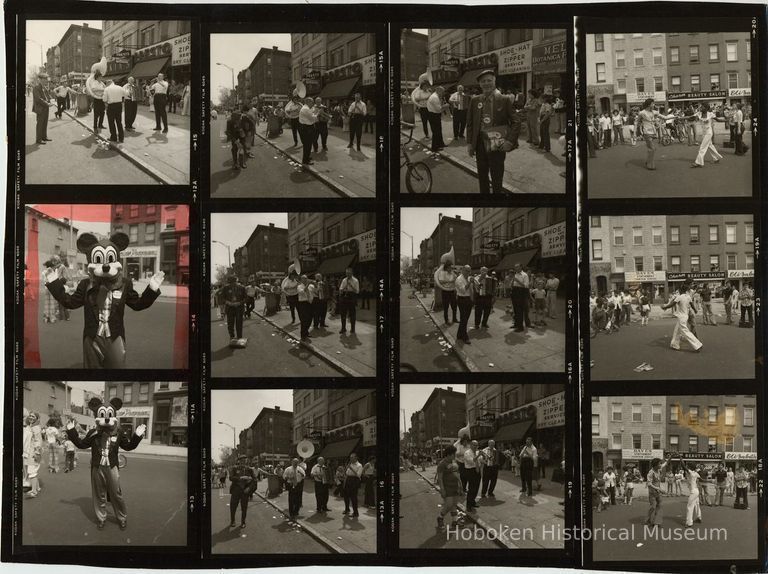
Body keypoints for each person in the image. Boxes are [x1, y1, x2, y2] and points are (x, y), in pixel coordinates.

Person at [466, 69, 520, 194]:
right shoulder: (475, 101)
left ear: (494, 82)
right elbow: (470, 124)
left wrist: (510, 141)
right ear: (480, 84)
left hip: (497, 143)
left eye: (489, 80)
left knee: (497, 177)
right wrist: (469, 143)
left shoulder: (504, 99)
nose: (486, 83)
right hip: (479, 144)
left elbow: (516, 122)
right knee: (482, 177)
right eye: (483, 81)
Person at [661, 281, 703, 353]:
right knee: (677, 331)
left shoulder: (679, 297)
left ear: (680, 290)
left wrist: (664, 307)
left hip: (681, 317)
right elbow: (692, 305)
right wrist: (695, 310)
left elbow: (672, 304)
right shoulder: (688, 297)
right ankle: (675, 344)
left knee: (685, 332)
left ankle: (697, 344)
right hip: (685, 316)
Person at [435, 445, 463, 529]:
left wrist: (460, 485)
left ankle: (455, 521)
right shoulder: (442, 464)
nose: (454, 456)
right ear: (448, 454)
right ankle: (440, 517)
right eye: (453, 454)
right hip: (447, 487)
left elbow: (457, 475)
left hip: (455, 486)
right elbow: (440, 478)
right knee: (448, 505)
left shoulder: (454, 462)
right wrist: (442, 490)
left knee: (454, 504)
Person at [229, 454, 256, 529]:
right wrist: (240, 478)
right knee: (233, 506)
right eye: (241, 461)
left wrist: (249, 488)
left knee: (244, 507)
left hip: (245, 491)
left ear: (246, 461)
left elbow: (254, 480)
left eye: (244, 461)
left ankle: (243, 522)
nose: (243, 462)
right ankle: (232, 521)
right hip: (236, 490)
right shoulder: (234, 468)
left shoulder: (249, 469)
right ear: (239, 461)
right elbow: (230, 478)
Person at [635, 99, 662, 170]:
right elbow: (637, 123)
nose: (654, 105)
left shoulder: (654, 112)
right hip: (646, 132)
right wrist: (636, 133)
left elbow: (664, 117)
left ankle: (648, 161)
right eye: (653, 103)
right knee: (652, 149)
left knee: (651, 149)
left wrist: (675, 117)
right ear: (649, 104)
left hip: (653, 132)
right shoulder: (642, 113)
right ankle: (650, 165)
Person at [433, 248, 457, 325]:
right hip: (445, 292)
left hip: (452, 291)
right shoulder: (442, 273)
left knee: (454, 306)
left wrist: (456, 278)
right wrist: (450, 281)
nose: (451, 268)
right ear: (446, 267)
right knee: (446, 307)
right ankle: (446, 321)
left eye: (451, 267)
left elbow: (455, 281)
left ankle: (454, 318)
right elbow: (441, 281)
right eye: (450, 267)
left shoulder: (453, 273)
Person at [221, 274, 246, 344]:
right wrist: (228, 302)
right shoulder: (225, 288)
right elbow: (222, 298)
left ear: (237, 281)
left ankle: (239, 337)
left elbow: (246, 298)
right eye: (231, 283)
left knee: (239, 323)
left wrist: (240, 303)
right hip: (230, 308)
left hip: (239, 308)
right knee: (230, 323)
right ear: (229, 282)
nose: (233, 284)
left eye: (235, 282)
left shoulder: (242, 288)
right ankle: (232, 336)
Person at [679, 457, 702, 528]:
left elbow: (683, 466)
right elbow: (701, 479)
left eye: (688, 465)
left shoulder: (691, 472)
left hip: (693, 492)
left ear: (690, 467)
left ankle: (689, 523)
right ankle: (699, 517)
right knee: (696, 504)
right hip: (696, 490)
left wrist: (680, 457)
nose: (687, 466)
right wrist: (710, 481)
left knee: (689, 507)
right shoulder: (695, 473)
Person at [454, 265, 473, 344]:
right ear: (462, 270)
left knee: (464, 319)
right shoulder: (459, 279)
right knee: (464, 318)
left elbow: (470, 290)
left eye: (469, 271)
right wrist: (470, 282)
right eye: (466, 271)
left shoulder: (468, 278)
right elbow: (463, 291)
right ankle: (465, 337)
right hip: (462, 299)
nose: (468, 273)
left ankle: (459, 335)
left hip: (468, 299)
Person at [338, 267, 359, 334]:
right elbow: (340, 289)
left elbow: (357, 291)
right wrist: (343, 289)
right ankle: (343, 328)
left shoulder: (355, 280)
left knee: (352, 314)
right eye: (346, 273)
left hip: (352, 297)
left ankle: (353, 329)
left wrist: (351, 286)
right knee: (343, 314)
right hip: (344, 297)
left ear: (352, 273)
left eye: (349, 273)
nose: (347, 274)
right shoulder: (344, 280)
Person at [32, 72, 52, 145]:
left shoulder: (44, 87)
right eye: (45, 79)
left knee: (45, 123)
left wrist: (50, 101)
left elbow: (48, 97)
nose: (46, 80)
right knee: (40, 124)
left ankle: (44, 137)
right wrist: (47, 103)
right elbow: (38, 99)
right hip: (40, 108)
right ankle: (38, 139)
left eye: (46, 79)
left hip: (46, 108)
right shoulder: (36, 88)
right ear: (40, 79)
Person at [410, 73, 432, 139]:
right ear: (422, 86)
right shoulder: (419, 92)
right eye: (424, 86)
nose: (426, 87)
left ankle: (433, 133)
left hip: (429, 108)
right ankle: (427, 134)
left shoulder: (429, 92)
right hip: (423, 109)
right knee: (424, 122)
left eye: (426, 86)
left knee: (431, 121)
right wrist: (425, 98)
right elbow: (416, 99)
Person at [510, 263, 531, 332]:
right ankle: (516, 324)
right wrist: (512, 283)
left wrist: (517, 281)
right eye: (515, 267)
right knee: (515, 310)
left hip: (521, 293)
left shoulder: (525, 275)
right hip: (514, 292)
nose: (516, 268)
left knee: (520, 311)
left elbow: (526, 286)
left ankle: (520, 327)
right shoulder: (515, 274)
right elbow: (512, 284)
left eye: (517, 267)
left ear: (521, 267)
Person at [298, 97, 318, 166]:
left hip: (307, 128)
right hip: (307, 128)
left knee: (308, 144)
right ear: (308, 102)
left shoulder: (307, 108)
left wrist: (315, 110)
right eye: (312, 102)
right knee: (307, 145)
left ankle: (307, 158)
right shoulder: (305, 109)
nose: (313, 104)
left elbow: (312, 113)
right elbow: (313, 118)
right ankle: (305, 161)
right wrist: (318, 113)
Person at [426, 86, 445, 153]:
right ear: (438, 91)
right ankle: (434, 147)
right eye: (442, 92)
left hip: (434, 115)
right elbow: (439, 109)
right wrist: (445, 106)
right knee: (436, 131)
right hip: (433, 115)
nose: (443, 93)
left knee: (439, 130)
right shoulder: (435, 97)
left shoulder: (435, 96)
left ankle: (441, 144)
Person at [343, 453, 363, 517]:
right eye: (350, 457)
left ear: (356, 458)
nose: (350, 459)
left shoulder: (359, 465)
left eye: (352, 457)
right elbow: (347, 473)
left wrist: (351, 468)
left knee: (353, 497)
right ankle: (347, 509)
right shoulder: (350, 464)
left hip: (354, 481)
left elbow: (358, 475)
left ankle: (355, 512)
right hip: (348, 480)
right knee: (346, 496)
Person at [296, 274, 315, 341]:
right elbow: (302, 292)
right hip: (303, 303)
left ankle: (306, 332)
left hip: (310, 303)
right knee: (304, 320)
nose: (305, 279)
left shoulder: (311, 286)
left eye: (306, 278)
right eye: (303, 278)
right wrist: (308, 284)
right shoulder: (299, 286)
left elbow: (315, 291)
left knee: (310, 318)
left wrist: (317, 283)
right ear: (301, 280)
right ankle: (303, 335)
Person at [463, 440, 481, 511]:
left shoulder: (477, 452)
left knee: (476, 487)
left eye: (477, 445)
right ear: (470, 445)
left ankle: (473, 502)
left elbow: (479, 461)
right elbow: (471, 461)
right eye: (474, 445)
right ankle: (468, 506)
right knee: (471, 488)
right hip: (470, 471)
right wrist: (479, 455)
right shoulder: (467, 453)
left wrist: (484, 458)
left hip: (477, 470)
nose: (476, 446)